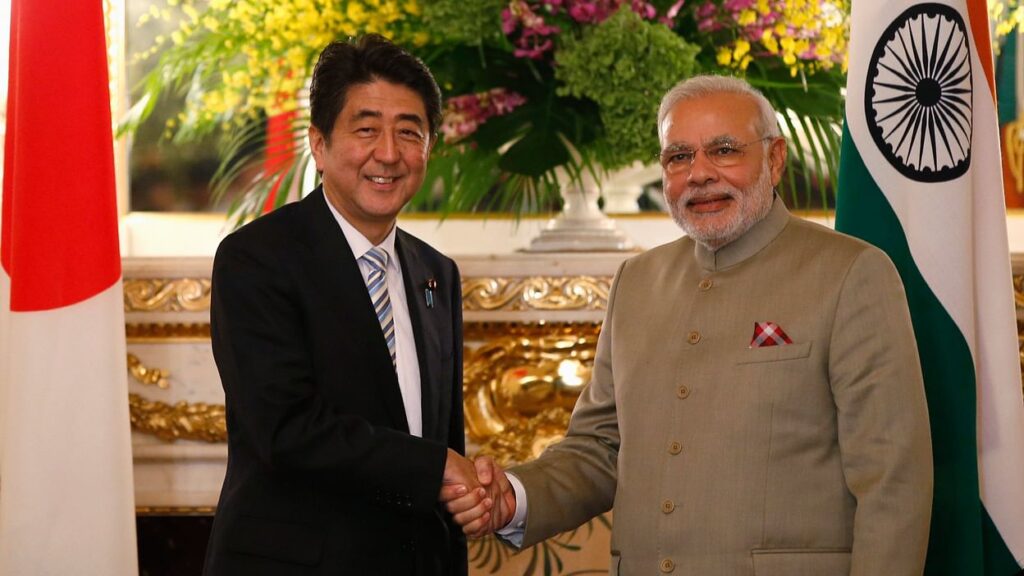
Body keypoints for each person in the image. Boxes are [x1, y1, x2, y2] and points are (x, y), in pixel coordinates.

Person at [453, 75, 934, 575]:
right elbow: (600, 449)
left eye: (724, 151)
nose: (698, 174)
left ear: (775, 159)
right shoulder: (637, 281)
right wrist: (515, 497)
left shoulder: (850, 272)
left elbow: (892, 480)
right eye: (678, 157)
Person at [204, 35, 492, 575]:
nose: (389, 153)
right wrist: (435, 467)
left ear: (430, 147)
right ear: (318, 144)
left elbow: (441, 439)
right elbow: (285, 430)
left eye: (409, 132)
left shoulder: (437, 273)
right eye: (366, 130)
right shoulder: (257, 259)